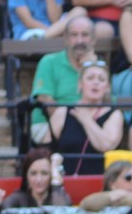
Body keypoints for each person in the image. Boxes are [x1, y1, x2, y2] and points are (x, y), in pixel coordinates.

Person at [48, 60, 125, 176]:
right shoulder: (62, 112)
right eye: (90, 78)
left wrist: (86, 119)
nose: (96, 83)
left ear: (107, 87)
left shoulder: (115, 114)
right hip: (65, 180)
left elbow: (106, 146)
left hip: (101, 182)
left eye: (101, 79)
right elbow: (48, 149)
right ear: (80, 84)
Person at [29, 15, 98, 145]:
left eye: (85, 35)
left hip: (89, 122)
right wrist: (75, 122)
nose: (79, 41)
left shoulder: (98, 66)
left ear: (94, 40)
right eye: (74, 35)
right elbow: (45, 100)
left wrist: (90, 69)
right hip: (49, 124)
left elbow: (108, 101)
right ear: (65, 39)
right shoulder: (49, 62)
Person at [0, 149, 73, 209]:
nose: (38, 180)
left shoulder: (60, 196)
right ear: (26, 175)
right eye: (33, 173)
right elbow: (3, 208)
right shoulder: (20, 197)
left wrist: (55, 170)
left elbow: (62, 211)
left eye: (44, 173)